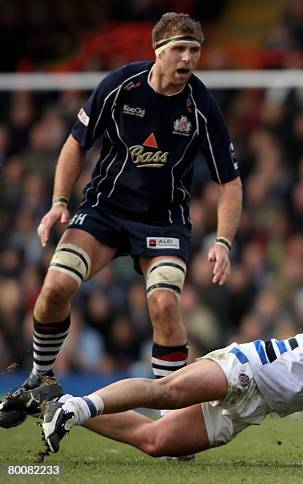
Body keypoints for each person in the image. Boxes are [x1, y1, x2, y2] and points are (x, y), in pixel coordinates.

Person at [0, 12, 242, 429]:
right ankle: (41, 377)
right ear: (158, 52)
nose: (188, 59)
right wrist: (60, 201)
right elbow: (76, 145)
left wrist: (222, 241)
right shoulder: (119, 86)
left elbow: (230, 182)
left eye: (194, 50)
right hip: (104, 211)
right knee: (55, 287)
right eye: (179, 49)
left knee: (165, 304)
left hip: (164, 223)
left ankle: (171, 417)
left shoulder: (201, 105)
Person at [35, 307, 303, 456]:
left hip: (258, 407)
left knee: (157, 442)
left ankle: (56, 401)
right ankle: (75, 409)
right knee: (168, 392)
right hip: (253, 365)